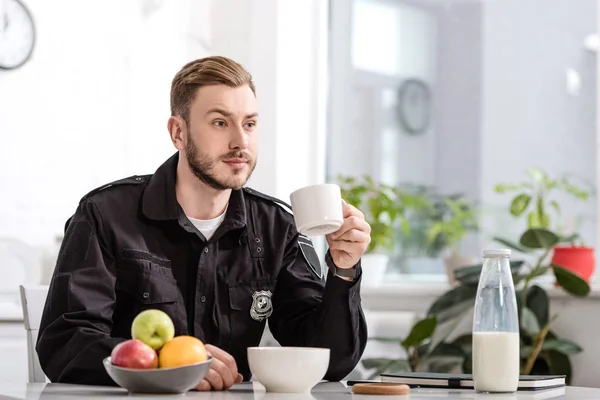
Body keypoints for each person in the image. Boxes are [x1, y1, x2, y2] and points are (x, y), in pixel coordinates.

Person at [36, 56, 370, 391]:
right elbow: (64, 343)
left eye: (250, 124)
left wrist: (344, 270)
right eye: (220, 123)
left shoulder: (277, 226)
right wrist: (172, 365)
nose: (241, 141)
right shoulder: (105, 214)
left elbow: (328, 361)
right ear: (178, 132)